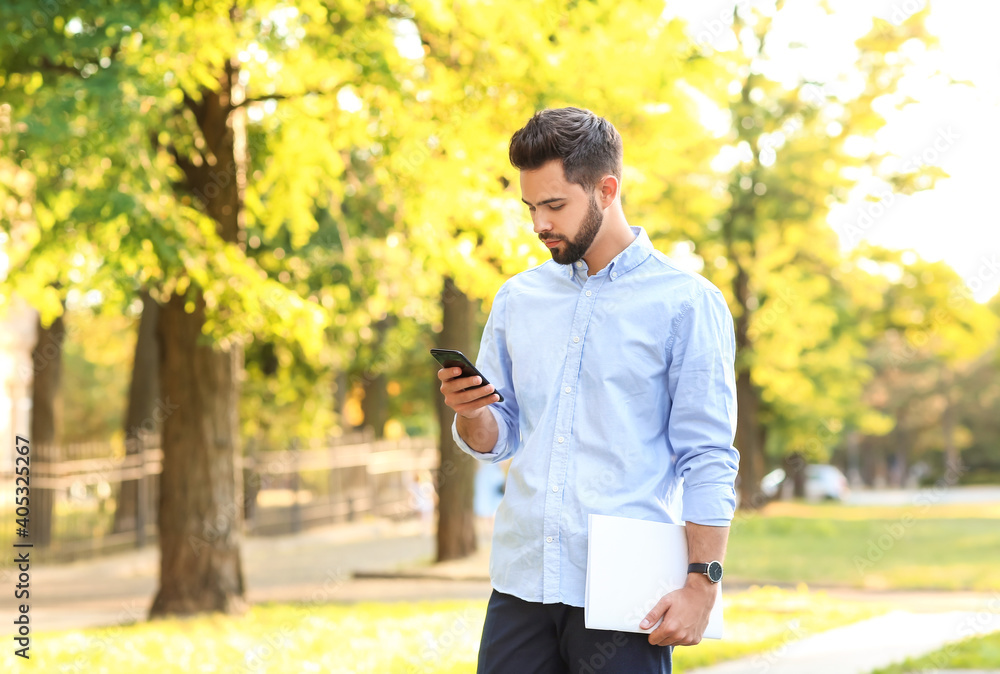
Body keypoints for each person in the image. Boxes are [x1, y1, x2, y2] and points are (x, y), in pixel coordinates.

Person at [437, 107, 739, 673]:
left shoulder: (686, 304)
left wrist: (703, 584)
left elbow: (708, 456)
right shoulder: (517, 299)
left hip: (627, 594)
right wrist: (469, 413)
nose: (538, 225)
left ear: (607, 189)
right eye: (530, 207)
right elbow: (497, 438)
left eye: (554, 205)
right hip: (522, 584)